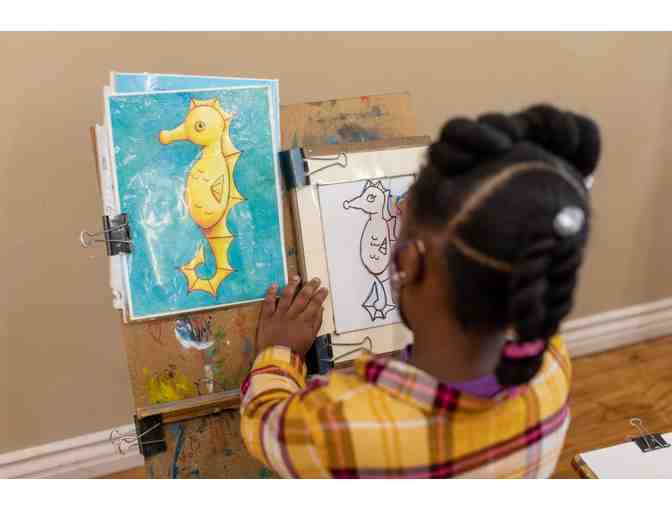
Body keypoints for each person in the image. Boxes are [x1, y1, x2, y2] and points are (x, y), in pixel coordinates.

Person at [239, 104, 600, 478]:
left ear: (409, 263)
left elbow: (264, 423)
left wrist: (278, 352)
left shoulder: (339, 427)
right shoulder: (552, 369)